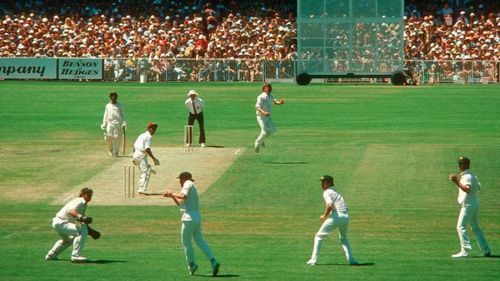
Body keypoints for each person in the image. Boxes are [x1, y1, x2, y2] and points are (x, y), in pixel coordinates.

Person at [163, 172, 220, 276]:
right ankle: (213, 261)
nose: (179, 181)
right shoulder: (191, 185)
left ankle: (192, 264)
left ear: (185, 178)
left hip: (189, 218)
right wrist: (171, 196)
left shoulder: (188, 183)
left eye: (180, 179)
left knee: (186, 242)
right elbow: (180, 202)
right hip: (196, 217)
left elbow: (182, 196)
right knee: (199, 240)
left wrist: (171, 193)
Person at [306, 175, 358, 266]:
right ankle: (351, 260)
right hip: (345, 217)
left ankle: (313, 260)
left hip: (336, 216)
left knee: (319, 236)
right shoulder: (336, 191)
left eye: (324, 182)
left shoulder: (327, 192)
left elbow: (330, 205)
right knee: (344, 238)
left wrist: (324, 216)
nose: (322, 184)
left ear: (329, 183)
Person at [448, 156, 491, 258]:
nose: (459, 165)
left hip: (468, 205)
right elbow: (478, 186)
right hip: (474, 203)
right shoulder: (471, 175)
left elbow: (467, 189)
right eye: (459, 163)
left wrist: (456, 181)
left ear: (467, 164)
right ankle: (486, 249)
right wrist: (458, 179)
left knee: (460, 227)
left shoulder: (467, 176)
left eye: (461, 163)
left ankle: (464, 250)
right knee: (475, 227)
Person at [45, 187, 94, 263]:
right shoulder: (80, 201)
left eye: (91, 195)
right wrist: (82, 217)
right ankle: (75, 256)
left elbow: (82, 222)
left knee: (68, 240)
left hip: (58, 223)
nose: (90, 197)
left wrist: (92, 232)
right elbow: (72, 211)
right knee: (81, 231)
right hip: (62, 223)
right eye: (89, 195)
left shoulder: (82, 203)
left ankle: (51, 255)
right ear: (84, 194)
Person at [254, 83, 285, 153]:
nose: (268, 89)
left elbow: (274, 102)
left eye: (269, 88)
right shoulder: (261, 97)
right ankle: (257, 142)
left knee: (273, 130)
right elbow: (257, 107)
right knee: (264, 132)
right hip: (261, 117)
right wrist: (264, 112)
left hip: (268, 117)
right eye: (266, 88)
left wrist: (280, 102)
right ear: (264, 88)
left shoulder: (270, 96)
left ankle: (261, 139)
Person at [133, 122, 160, 194]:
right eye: (154, 129)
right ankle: (141, 189)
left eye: (155, 129)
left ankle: (151, 170)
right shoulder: (149, 136)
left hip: (136, 154)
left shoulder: (142, 135)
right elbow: (147, 149)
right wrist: (154, 159)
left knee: (147, 169)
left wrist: (134, 157)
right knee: (146, 172)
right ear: (150, 129)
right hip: (141, 155)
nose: (155, 130)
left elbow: (134, 146)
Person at [100, 92, 127, 156]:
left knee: (116, 137)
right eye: (111, 96)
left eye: (114, 96)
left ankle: (116, 152)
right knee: (108, 137)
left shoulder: (119, 105)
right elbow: (105, 115)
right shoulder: (107, 106)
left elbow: (122, 115)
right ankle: (110, 150)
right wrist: (104, 124)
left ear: (116, 97)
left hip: (118, 123)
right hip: (110, 123)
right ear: (110, 97)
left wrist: (124, 122)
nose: (113, 98)